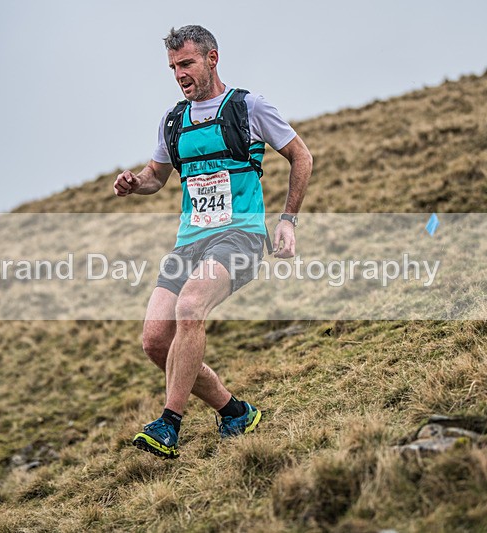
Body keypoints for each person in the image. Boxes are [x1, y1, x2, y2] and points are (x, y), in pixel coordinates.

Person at [113, 25, 312, 459]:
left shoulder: (248, 107)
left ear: (212, 59)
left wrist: (288, 221)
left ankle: (169, 423)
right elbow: (156, 177)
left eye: (186, 63)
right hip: (188, 243)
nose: (179, 74)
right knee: (155, 341)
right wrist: (135, 182)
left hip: (240, 237)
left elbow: (301, 156)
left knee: (190, 307)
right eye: (173, 67)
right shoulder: (173, 121)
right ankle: (234, 411)